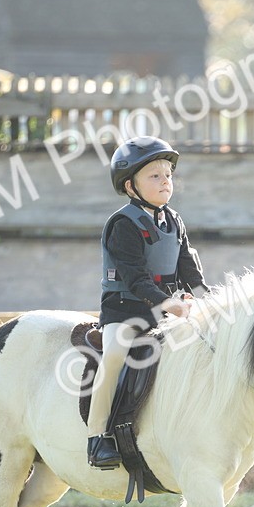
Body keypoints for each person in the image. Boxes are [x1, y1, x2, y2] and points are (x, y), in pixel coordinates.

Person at [86, 136, 207, 469]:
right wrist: (170, 304)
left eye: (167, 174)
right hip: (125, 312)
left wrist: (206, 295)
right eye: (154, 175)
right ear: (130, 186)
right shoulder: (123, 225)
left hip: (164, 310)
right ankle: (97, 438)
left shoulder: (174, 221)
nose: (165, 180)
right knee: (114, 356)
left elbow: (187, 266)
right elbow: (136, 280)